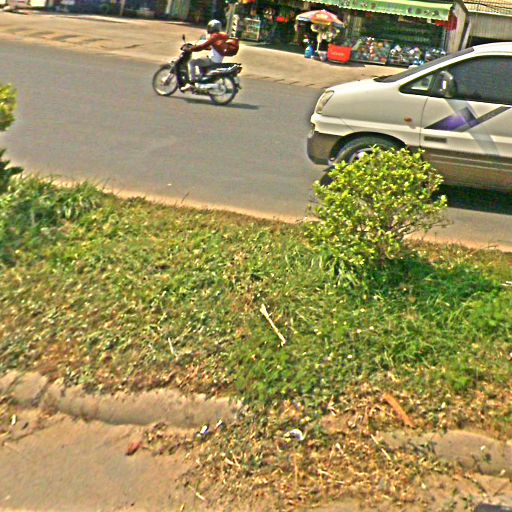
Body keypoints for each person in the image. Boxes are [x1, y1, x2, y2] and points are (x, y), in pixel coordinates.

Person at [183, 19, 229, 90]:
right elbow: (212, 46)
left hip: (212, 60)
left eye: (209, 27)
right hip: (217, 60)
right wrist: (199, 47)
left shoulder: (214, 36)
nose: (208, 29)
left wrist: (191, 49)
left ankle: (192, 83)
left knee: (191, 62)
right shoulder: (220, 36)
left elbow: (202, 46)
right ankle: (201, 77)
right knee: (202, 59)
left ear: (213, 27)